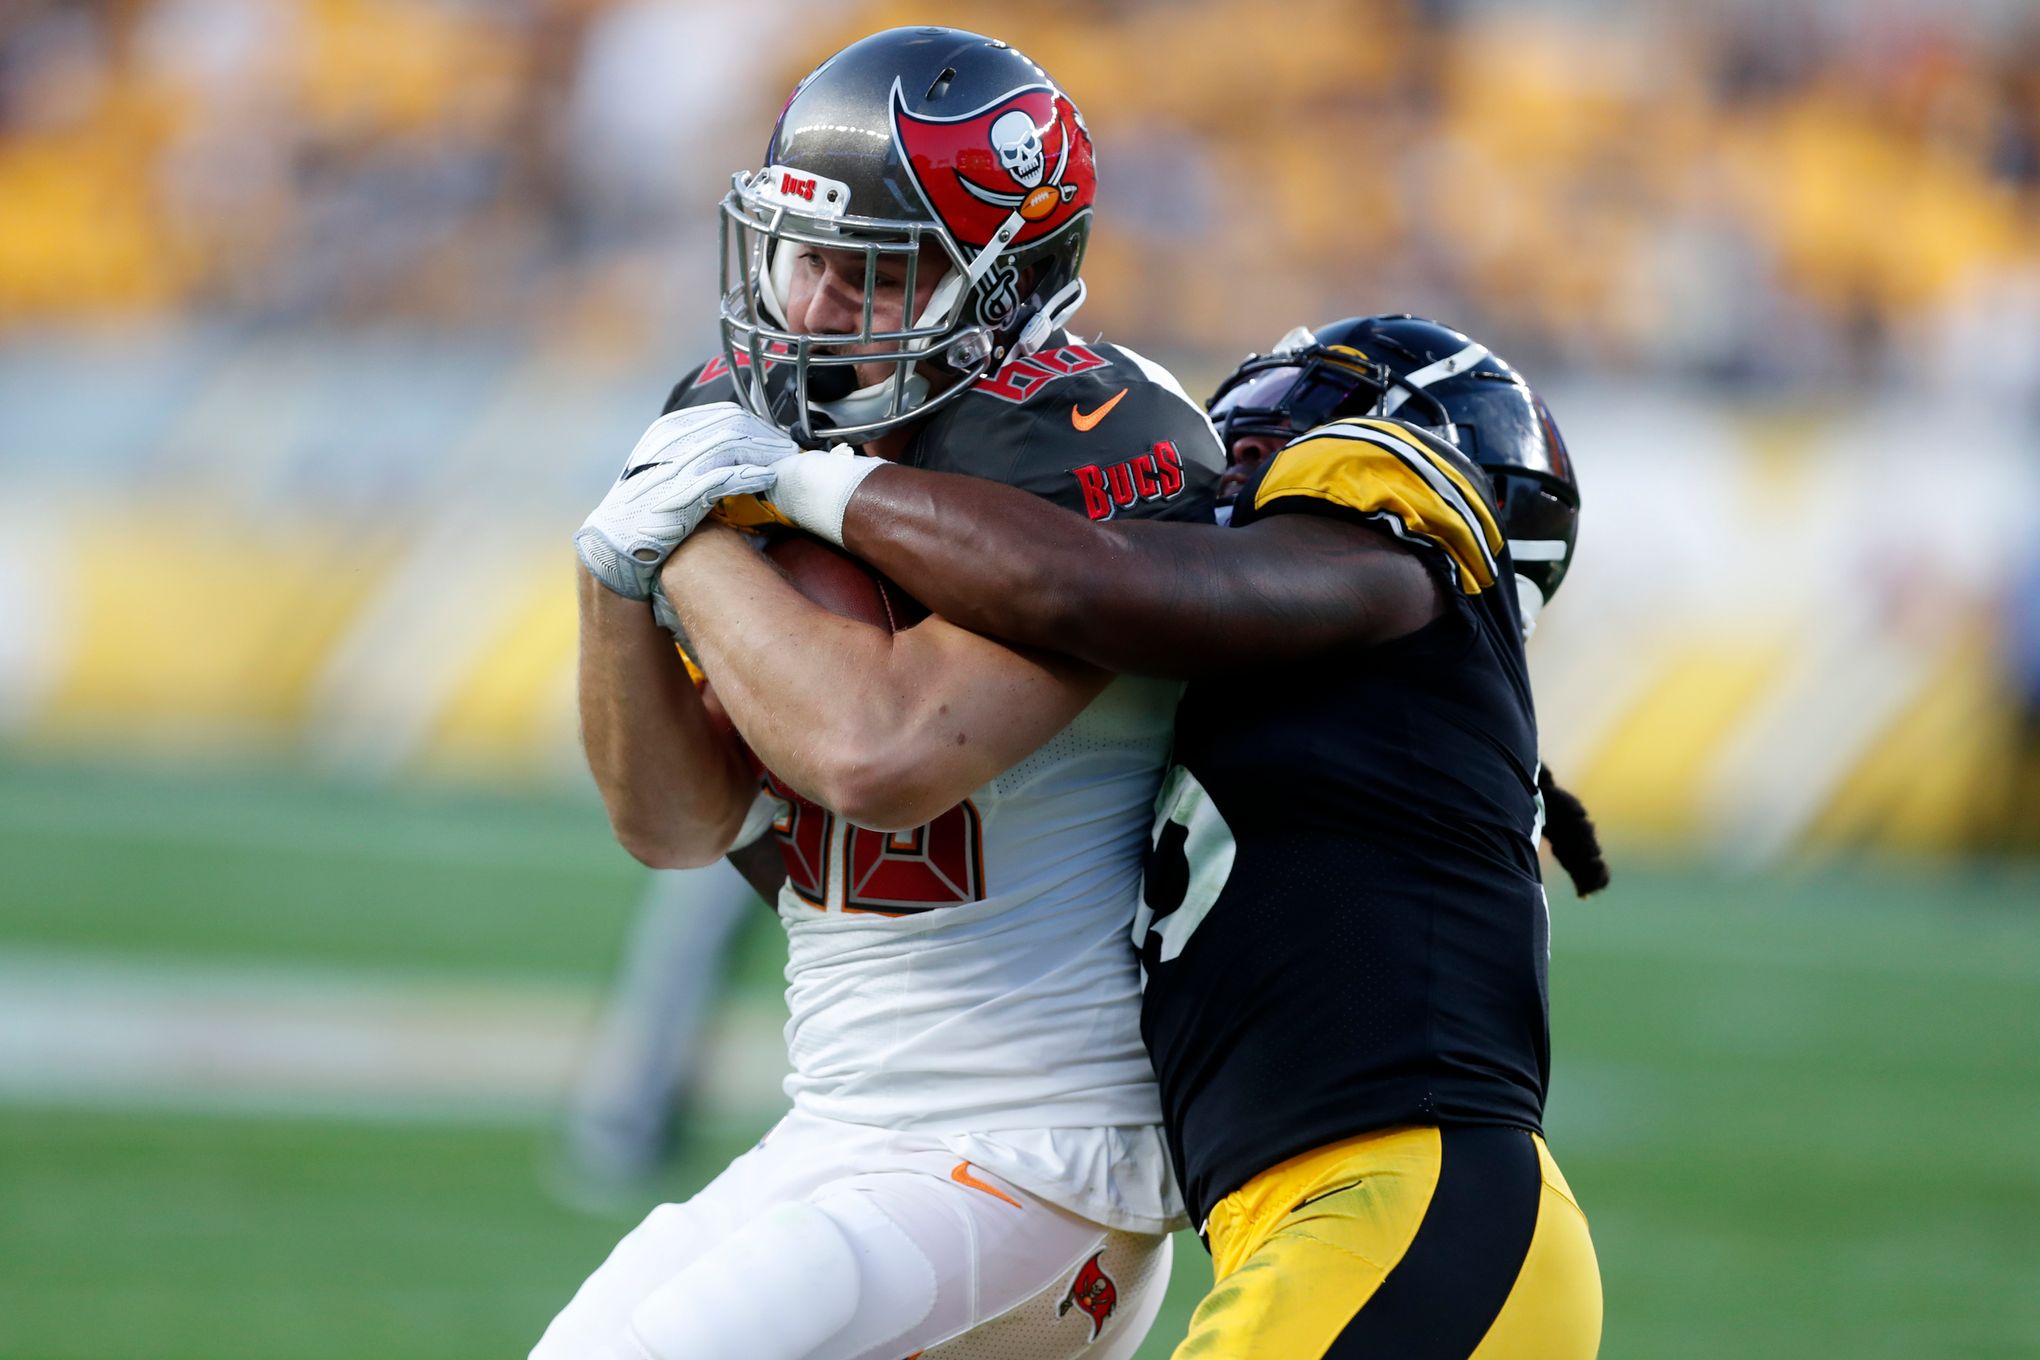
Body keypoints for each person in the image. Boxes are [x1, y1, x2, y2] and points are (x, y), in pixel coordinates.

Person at [669, 314, 1608, 1357]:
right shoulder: (1322, 705)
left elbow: (1080, 582)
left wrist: (810, 479)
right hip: (1341, 1223)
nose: (1239, 445)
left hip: (1410, 1210)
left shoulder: (1388, 528)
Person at [540, 26, 1226, 1360]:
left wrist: (692, 538)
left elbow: (879, 751)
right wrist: (611, 573)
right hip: (846, 1128)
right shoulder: (735, 412)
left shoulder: (1092, 439)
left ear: (1007, 281)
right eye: (807, 257)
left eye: (875, 273)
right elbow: (676, 829)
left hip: (1039, 1153)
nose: (811, 306)